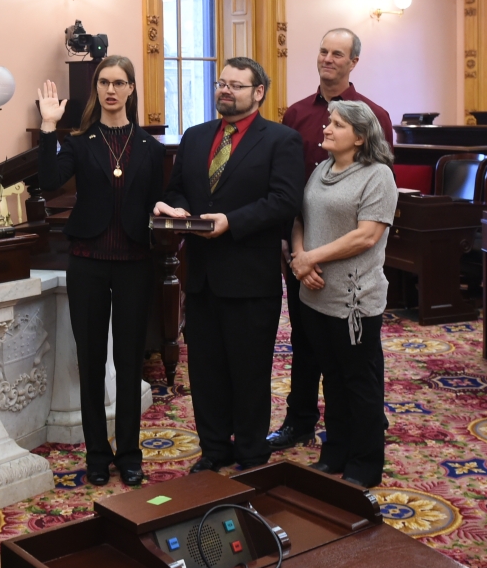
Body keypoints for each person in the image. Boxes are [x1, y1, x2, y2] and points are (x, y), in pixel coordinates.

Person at [154, 57, 303, 472]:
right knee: (205, 371)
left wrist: (231, 222)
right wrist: (175, 208)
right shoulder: (196, 136)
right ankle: (214, 449)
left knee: (249, 372)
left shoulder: (281, 140)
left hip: (251, 278)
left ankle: (252, 452)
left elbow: (284, 202)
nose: (226, 91)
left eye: (237, 85)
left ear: (258, 93)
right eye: (222, 83)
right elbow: (180, 189)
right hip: (200, 278)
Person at [36, 56, 165, 487]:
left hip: (134, 263)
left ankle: (129, 453)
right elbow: (51, 179)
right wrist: (49, 127)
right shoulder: (80, 142)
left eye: (119, 83)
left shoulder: (149, 147)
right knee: (91, 362)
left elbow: (158, 199)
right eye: (104, 82)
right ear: (97, 89)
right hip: (88, 263)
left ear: (131, 89)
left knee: (129, 363)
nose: (111, 90)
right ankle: (97, 453)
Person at [270, 27, 394, 451]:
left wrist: (324, 253)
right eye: (323, 51)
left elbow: (378, 188)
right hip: (302, 249)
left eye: (337, 54)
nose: (328, 59)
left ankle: (364, 423)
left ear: (353, 62)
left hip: (351, 259)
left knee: (357, 353)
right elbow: (290, 187)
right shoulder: (297, 114)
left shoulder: (371, 114)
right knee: (306, 343)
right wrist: (296, 249)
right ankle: (301, 419)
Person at [289, 99, 397, 487]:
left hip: (355, 301)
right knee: (331, 379)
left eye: (337, 125)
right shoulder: (320, 169)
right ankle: (335, 452)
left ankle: (365, 463)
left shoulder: (377, 176)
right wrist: (301, 257)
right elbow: (300, 216)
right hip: (315, 295)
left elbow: (366, 235)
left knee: (359, 382)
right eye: (329, 122)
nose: (326, 128)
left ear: (361, 136)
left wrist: (309, 258)